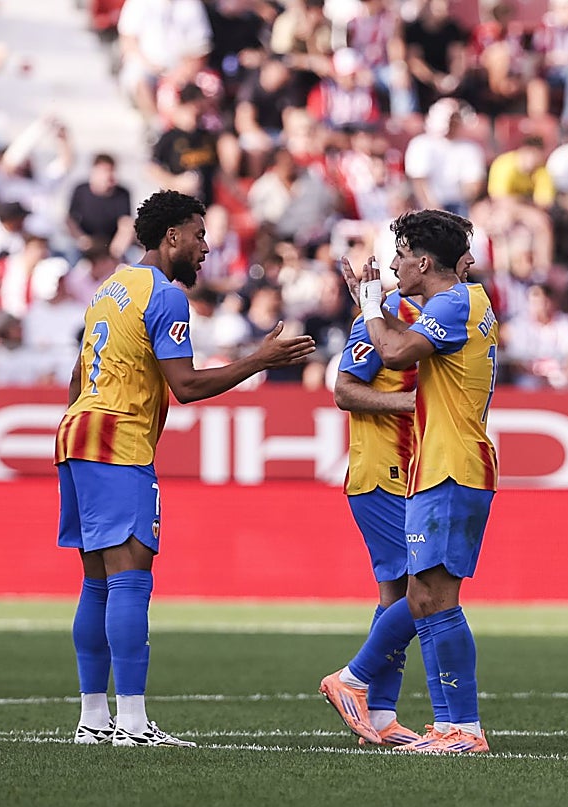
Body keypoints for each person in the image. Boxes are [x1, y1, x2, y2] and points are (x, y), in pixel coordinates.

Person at [58, 190, 314, 747]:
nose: (205, 247)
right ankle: (130, 723)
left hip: (79, 431)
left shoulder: (111, 288)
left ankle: (93, 719)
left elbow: (79, 377)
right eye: (198, 235)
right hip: (118, 440)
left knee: (97, 581)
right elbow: (188, 385)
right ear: (171, 236)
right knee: (130, 577)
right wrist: (259, 361)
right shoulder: (165, 296)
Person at [320, 209, 498, 754]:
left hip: (447, 464)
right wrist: (371, 307)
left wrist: (373, 303)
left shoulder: (450, 303)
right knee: (424, 597)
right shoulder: (465, 302)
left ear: (423, 261)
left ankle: (447, 721)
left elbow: (395, 350)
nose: (393, 264)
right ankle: (441, 723)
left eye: (400, 255)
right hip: (443, 464)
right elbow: (395, 344)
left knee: (432, 597)